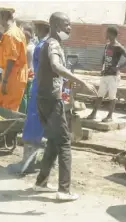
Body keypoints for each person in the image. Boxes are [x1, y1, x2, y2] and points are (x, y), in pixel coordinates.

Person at [33, 12, 97, 201]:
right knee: (65, 143)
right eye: (66, 24)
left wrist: (67, 83)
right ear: (54, 24)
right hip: (52, 101)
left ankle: (41, 182)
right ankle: (64, 190)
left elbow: (53, 72)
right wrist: (81, 81)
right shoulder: (52, 43)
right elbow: (56, 66)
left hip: (44, 98)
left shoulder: (51, 43)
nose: (70, 28)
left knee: (53, 141)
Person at [87, 26, 126, 122]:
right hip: (105, 74)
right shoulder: (107, 45)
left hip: (113, 76)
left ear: (112, 34)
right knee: (100, 95)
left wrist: (118, 67)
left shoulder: (118, 47)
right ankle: (93, 113)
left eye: (107, 33)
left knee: (112, 96)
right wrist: (102, 68)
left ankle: (110, 116)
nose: (106, 35)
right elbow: (104, 59)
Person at [21, 20, 50, 172]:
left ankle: (28, 163)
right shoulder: (48, 44)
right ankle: (39, 161)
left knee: (33, 121)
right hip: (44, 88)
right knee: (41, 124)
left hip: (39, 88)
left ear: (42, 29)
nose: (36, 31)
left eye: (37, 28)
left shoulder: (41, 46)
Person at [0, 7, 28, 112]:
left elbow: (11, 59)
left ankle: (7, 128)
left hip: (13, 76)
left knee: (8, 108)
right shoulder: (17, 32)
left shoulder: (10, 35)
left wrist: (5, 81)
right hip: (15, 75)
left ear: (3, 17)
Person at [19, 23, 35, 114]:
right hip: (30, 74)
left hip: (27, 74)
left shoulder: (28, 48)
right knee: (27, 95)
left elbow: (27, 64)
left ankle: (23, 114)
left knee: (23, 96)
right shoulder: (32, 46)